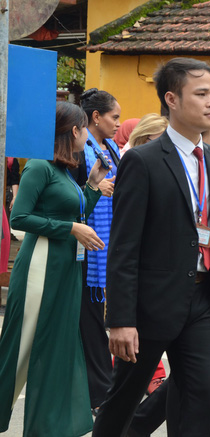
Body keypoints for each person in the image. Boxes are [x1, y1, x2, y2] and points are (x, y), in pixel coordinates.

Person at [92, 57, 210, 437]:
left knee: (204, 397)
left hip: (202, 304)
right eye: (201, 94)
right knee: (123, 400)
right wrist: (120, 319)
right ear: (171, 98)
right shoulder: (143, 161)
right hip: (150, 304)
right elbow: (123, 247)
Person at [0, 102, 110, 435]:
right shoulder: (38, 167)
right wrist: (71, 230)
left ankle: (51, 426)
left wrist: (91, 187)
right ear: (74, 130)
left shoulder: (64, 172)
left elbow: (75, 215)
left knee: (58, 346)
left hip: (66, 269)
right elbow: (19, 217)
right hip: (40, 268)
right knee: (22, 345)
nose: (88, 138)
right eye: (84, 131)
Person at [79, 88, 122, 413]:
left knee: (98, 319)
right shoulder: (82, 150)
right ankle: (101, 392)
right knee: (92, 320)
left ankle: (101, 388)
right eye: (114, 117)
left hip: (110, 241)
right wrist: (94, 187)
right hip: (86, 246)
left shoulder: (111, 148)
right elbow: (75, 196)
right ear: (96, 117)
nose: (117, 124)